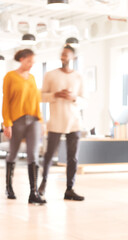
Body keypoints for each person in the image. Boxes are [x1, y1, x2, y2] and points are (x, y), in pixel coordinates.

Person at [39, 45, 86, 201]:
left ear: (73, 57)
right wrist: (56, 94)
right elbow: (41, 96)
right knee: (49, 156)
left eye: (66, 55)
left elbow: (84, 101)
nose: (63, 57)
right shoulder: (50, 75)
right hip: (56, 121)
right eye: (62, 55)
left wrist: (73, 98)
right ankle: (42, 186)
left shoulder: (79, 77)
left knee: (73, 158)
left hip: (74, 122)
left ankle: (69, 189)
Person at [2, 49, 46, 204]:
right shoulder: (10, 77)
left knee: (33, 155)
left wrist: (40, 121)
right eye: (29, 61)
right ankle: (9, 187)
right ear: (21, 59)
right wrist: (7, 123)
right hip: (17, 120)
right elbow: (6, 101)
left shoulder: (32, 78)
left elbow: (36, 101)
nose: (31, 65)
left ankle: (33, 192)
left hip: (33, 120)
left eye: (33, 62)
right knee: (13, 153)